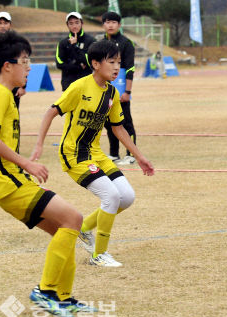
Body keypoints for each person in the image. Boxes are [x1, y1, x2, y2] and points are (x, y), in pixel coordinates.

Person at [0, 31, 97, 317]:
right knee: (74, 220)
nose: (29, 67)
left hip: (7, 182)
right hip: (10, 184)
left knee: (62, 231)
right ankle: (45, 291)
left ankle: (63, 299)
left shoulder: (0, 95)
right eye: (24, 61)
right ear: (8, 66)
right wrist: (25, 165)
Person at [31, 40, 155, 267]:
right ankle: (98, 255)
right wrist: (39, 144)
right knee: (111, 196)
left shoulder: (112, 93)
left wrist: (139, 156)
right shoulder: (79, 87)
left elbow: (118, 128)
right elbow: (50, 113)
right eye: (112, 62)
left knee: (126, 197)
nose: (117, 67)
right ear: (96, 64)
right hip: (73, 155)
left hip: (95, 154)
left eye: (119, 62)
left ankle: (84, 228)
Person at [101, 11, 137, 165]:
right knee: (109, 123)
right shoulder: (101, 43)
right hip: (106, 90)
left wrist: (127, 91)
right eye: (108, 22)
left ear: (119, 25)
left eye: (114, 22)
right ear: (103, 25)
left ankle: (131, 154)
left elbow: (129, 69)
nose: (110, 25)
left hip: (121, 91)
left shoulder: (126, 43)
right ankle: (114, 153)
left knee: (126, 122)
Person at [55, 12, 95, 91]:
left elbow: (90, 61)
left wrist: (75, 46)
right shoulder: (63, 43)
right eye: (71, 23)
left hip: (86, 82)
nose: (74, 26)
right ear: (67, 25)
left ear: (82, 23)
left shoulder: (91, 41)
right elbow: (59, 63)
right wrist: (78, 67)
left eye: (77, 22)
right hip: (68, 83)